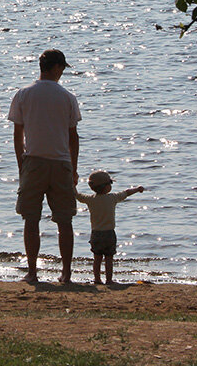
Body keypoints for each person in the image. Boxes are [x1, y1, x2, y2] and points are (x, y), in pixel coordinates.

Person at [8, 48, 81, 284]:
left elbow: (17, 134)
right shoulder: (67, 97)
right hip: (61, 162)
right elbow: (73, 137)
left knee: (31, 219)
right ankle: (66, 273)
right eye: (62, 68)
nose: (62, 73)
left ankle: (32, 272)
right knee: (65, 220)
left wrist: (21, 162)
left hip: (33, 160)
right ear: (56, 67)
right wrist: (74, 168)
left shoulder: (23, 94)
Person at [75, 170, 144, 285]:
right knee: (109, 258)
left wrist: (72, 184)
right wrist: (137, 189)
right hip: (109, 233)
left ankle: (97, 279)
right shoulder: (112, 198)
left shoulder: (90, 199)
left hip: (96, 233)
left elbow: (77, 196)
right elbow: (126, 193)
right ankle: (109, 280)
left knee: (97, 258)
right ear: (107, 186)